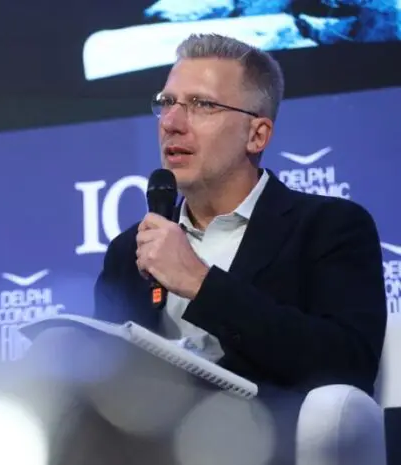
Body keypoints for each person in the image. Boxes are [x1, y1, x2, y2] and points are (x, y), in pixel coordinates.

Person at [86, 33, 387, 464]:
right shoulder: (129, 250)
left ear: (257, 134)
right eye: (167, 102)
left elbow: (348, 365)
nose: (171, 122)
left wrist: (201, 284)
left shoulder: (328, 227)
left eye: (201, 105)